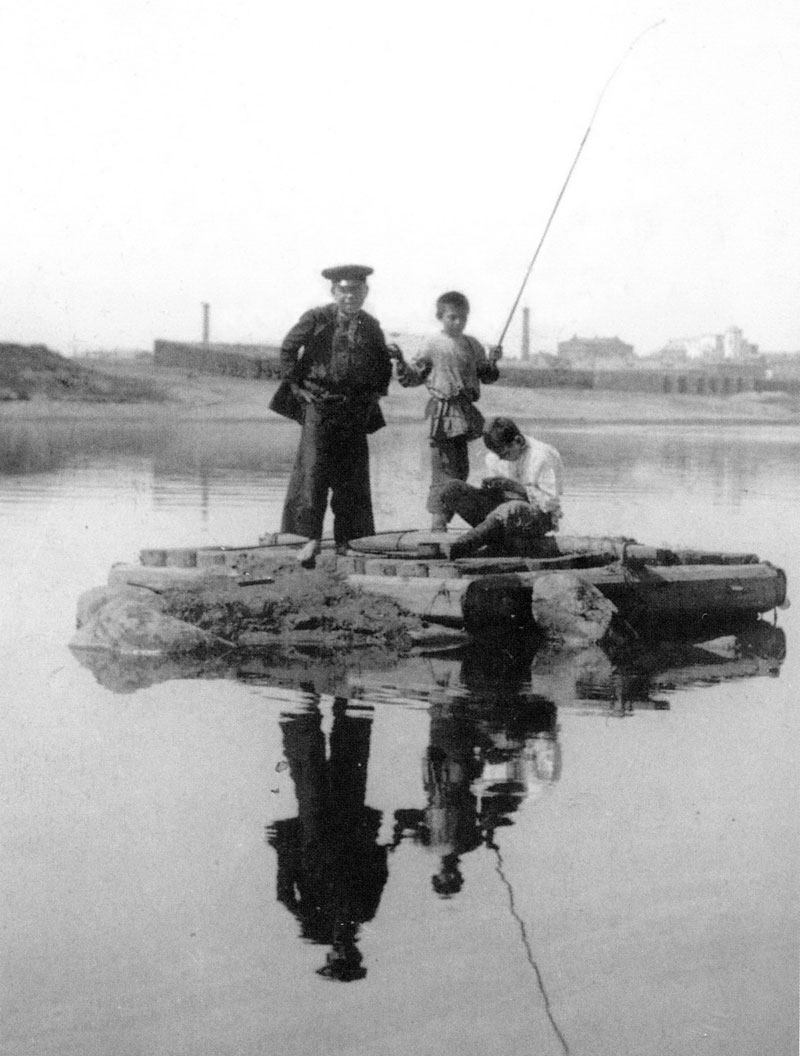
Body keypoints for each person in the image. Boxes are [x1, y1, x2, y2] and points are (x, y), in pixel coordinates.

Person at [270, 265, 394, 566]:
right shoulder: (317, 318)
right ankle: (305, 540)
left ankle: (351, 541)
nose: (350, 296)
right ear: (333, 292)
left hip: (353, 410)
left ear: (365, 293)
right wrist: (297, 387)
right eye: (344, 290)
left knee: (352, 478)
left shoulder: (371, 325)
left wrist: (375, 394)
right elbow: (288, 349)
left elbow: (382, 363)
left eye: (356, 290)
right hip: (319, 406)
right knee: (312, 474)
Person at [391, 291, 501, 530]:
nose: (458, 322)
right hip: (443, 414)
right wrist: (399, 360)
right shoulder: (431, 344)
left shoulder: (473, 344)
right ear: (440, 316)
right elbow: (412, 378)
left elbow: (487, 377)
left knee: (460, 470)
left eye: (463, 317)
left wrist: (493, 361)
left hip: (466, 414)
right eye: (452, 317)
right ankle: (438, 525)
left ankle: (442, 523)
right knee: (444, 469)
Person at [438, 416, 564, 559]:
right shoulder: (494, 458)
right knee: (452, 489)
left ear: (519, 441)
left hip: (537, 519)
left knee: (511, 508)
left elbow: (550, 503)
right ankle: (494, 540)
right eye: (499, 455)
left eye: (506, 454)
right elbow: (497, 498)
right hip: (502, 516)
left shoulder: (543, 456)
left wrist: (515, 487)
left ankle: (462, 546)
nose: (502, 459)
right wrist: (490, 491)